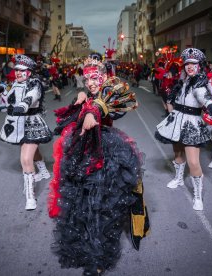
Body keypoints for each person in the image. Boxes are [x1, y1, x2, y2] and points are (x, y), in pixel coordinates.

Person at [48, 53, 149, 275]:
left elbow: (106, 108)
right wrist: (83, 97)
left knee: (100, 207)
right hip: (82, 152)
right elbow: (85, 107)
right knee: (80, 204)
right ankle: (83, 246)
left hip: (104, 154)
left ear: (103, 77)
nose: (91, 82)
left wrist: (93, 111)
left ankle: (97, 259)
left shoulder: (110, 95)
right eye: (87, 79)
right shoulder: (89, 94)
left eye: (95, 78)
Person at [155, 48, 212, 210]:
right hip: (177, 120)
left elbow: (203, 96)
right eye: (187, 64)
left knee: (193, 161)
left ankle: (198, 196)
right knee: (178, 154)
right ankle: (178, 178)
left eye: (193, 63)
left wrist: (210, 105)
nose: (190, 66)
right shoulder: (183, 82)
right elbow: (174, 100)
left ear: (200, 66)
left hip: (191, 124)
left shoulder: (199, 84)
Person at [0, 54, 52, 210]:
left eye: (22, 70)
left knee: (26, 159)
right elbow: (8, 101)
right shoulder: (15, 83)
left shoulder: (35, 83)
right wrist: (2, 92)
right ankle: (43, 170)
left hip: (31, 123)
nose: (18, 73)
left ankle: (30, 196)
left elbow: (32, 96)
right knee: (32, 153)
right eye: (16, 70)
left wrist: (23, 105)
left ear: (29, 72)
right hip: (16, 124)